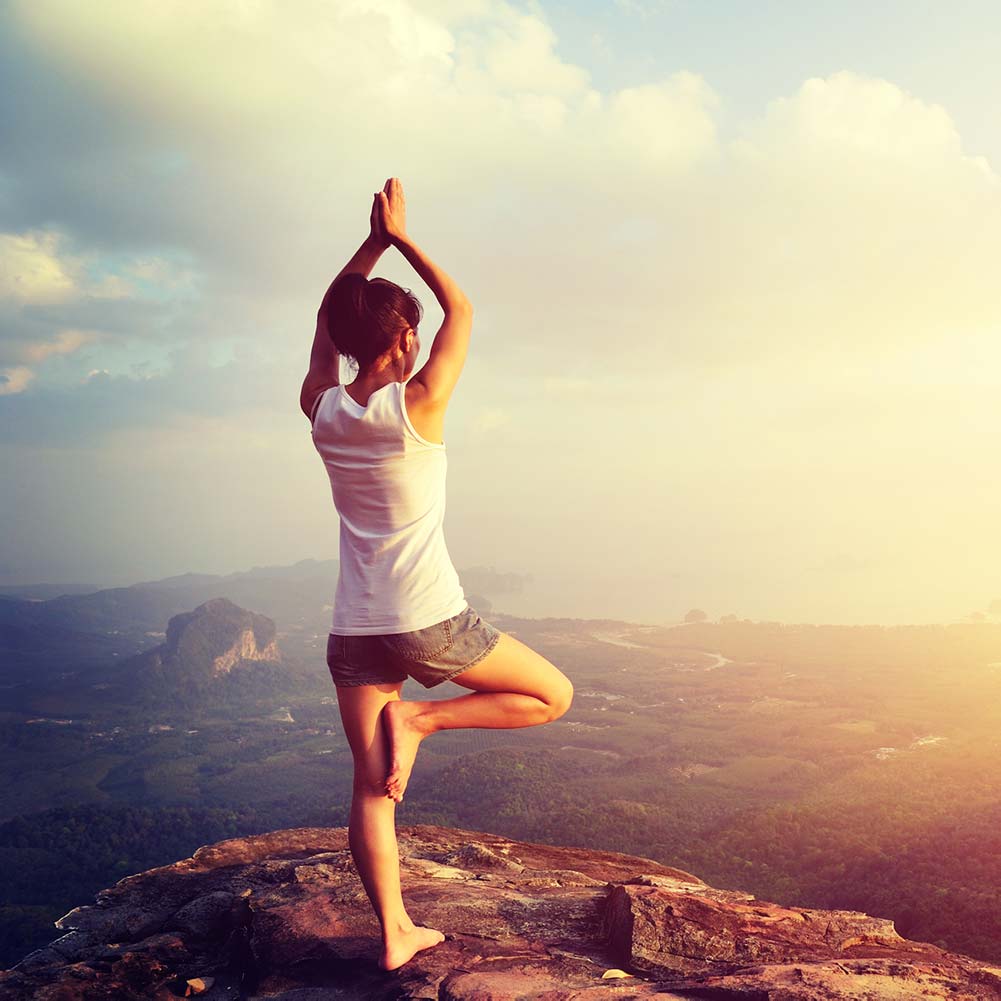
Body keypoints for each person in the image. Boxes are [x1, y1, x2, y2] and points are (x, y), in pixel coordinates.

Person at [300, 177, 574, 972]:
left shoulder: (321, 408)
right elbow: (464, 308)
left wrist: (370, 246)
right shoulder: (418, 405)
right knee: (552, 695)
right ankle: (422, 722)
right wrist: (401, 237)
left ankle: (394, 931)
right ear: (406, 339)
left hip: (354, 626)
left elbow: (327, 318)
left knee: (368, 785)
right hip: (427, 619)